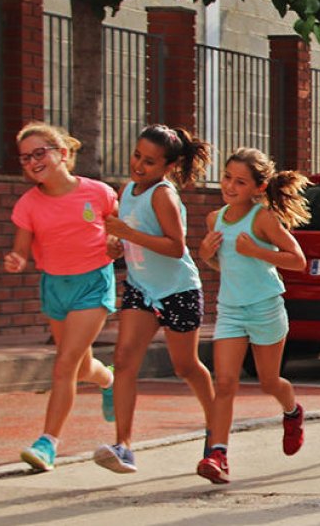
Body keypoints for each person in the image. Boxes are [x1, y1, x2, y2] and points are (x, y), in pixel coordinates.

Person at [93, 125, 215, 474]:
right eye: (136, 156)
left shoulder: (163, 194)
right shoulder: (126, 190)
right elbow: (126, 240)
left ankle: (215, 426)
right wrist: (117, 246)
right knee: (125, 358)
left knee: (185, 367)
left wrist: (129, 234)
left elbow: (176, 248)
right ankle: (124, 446)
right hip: (141, 288)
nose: (139, 166)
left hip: (178, 291)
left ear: (168, 166)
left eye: (149, 161)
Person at [7, 123, 119, 472]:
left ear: (63, 154)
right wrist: (17, 259)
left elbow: (118, 232)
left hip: (93, 284)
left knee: (65, 364)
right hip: (54, 286)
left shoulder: (98, 192)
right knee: (81, 366)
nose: (32, 162)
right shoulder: (28, 204)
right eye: (26, 157)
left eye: (40, 153)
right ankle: (108, 379)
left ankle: (47, 444)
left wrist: (117, 247)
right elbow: (22, 249)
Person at [196, 148, 310, 484]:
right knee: (225, 382)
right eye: (227, 177)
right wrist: (206, 256)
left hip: (265, 307)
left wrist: (257, 250)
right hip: (231, 309)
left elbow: (298, 260)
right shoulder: (214, 219)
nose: (230, 186)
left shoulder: (263, 219)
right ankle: (218, 454)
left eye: (240, 181)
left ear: (258, 188)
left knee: (268, 381)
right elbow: (224, 263)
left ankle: (292, 412)